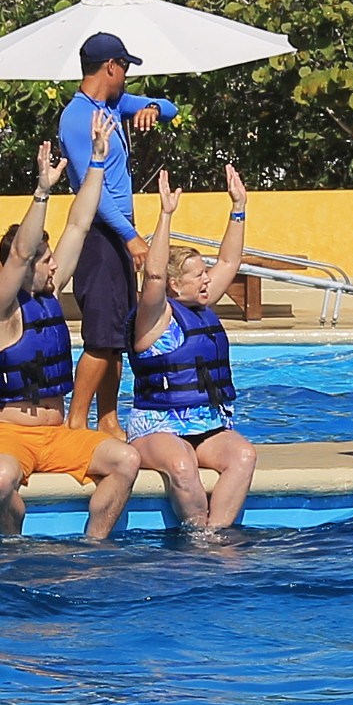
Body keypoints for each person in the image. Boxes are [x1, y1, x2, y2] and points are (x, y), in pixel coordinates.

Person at [0, 129, 142, 539]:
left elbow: (79, 224)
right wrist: (42, 191)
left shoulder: (49, 292)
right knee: (0, 481)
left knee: (127, 461)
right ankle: (13, 546)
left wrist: (96, 163)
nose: (55, 266)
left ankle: (94, 545)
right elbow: (20, 254)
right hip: (11, 436)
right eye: (46, 260)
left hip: (59, 433)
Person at [56, 30, 181, 433]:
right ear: (111, 66)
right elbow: (91, 191)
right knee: (100, 337)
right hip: (99, 237)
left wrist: (152, 109)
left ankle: (107, 420)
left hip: (118, 235)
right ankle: (76, 423)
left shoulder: (114, 104)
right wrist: (130, 236)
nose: (126, 76)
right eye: (125, 67)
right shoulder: (77, 117)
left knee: (117, 336)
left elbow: (172, 108)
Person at [125, 165, 260, 531]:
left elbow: (230, 261)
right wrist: (166, 214)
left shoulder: (200, 304)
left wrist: (238, 207)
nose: (207, 280)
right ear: (174, 284)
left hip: (207, 424)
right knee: (182, 464)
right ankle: (196, 537)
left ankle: (214, 537)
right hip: (158, 426)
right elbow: (153, 275)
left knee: (244, 455)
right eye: (199, 275)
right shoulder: (155, 317)